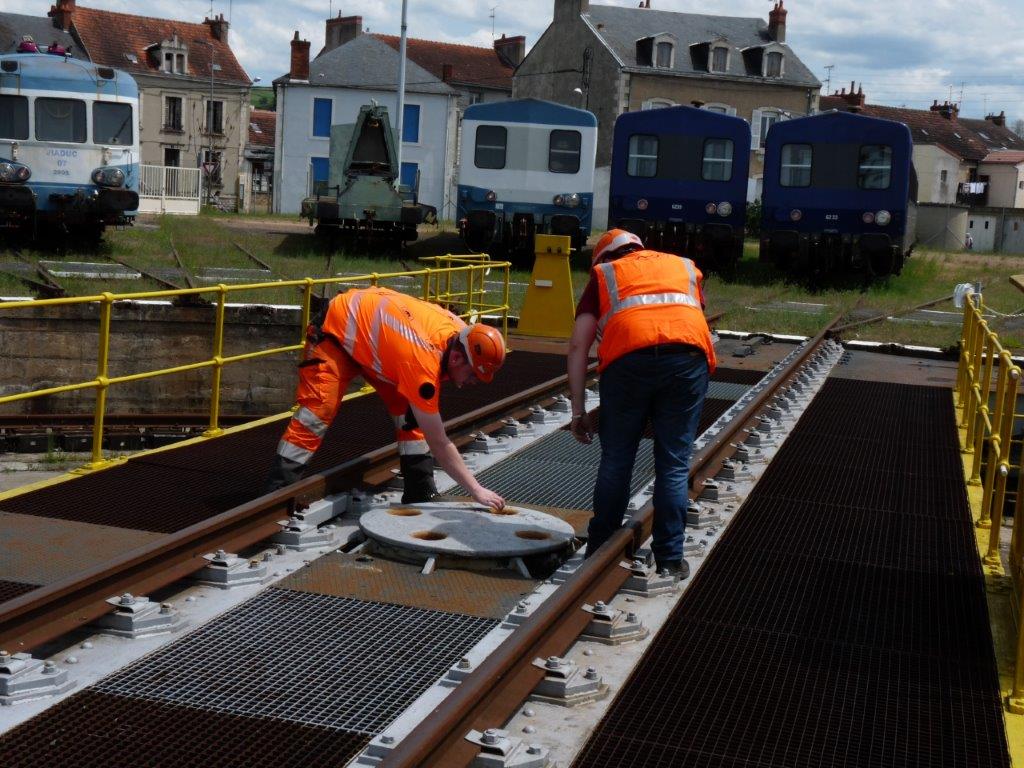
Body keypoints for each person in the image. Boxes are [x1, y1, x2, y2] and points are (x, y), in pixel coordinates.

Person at [265, 286, 507, 510]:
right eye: (472, 375)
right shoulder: (421, 361)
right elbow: (440, 442)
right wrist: (476, 490)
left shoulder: (459, 334)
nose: (471, 383)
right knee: (317, 413)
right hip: (334, 334)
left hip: (374, 343)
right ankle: (278, 494)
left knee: (411, 417)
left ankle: (420, 490)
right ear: (455, 359)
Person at [567, 229, 716, 579]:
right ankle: (669, 559)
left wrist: (578, 411)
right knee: (674, 463)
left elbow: (578, 347)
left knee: (617, 459)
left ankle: (601, 548)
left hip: (627, 364)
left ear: (603, 257)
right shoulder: (682, 266)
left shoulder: (604, 275)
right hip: (687, 362)